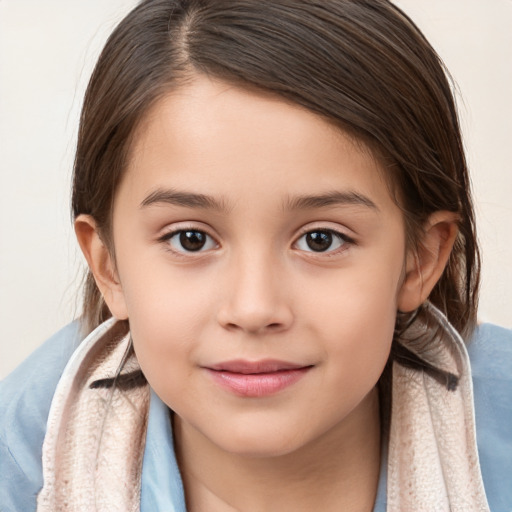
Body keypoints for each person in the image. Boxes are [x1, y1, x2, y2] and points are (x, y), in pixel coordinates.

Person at [1, 0, 511, 510]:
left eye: (320, 239)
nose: (253, 308)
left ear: (419, 259)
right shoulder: (23, 466)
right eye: (191, 239)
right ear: (109, 265)